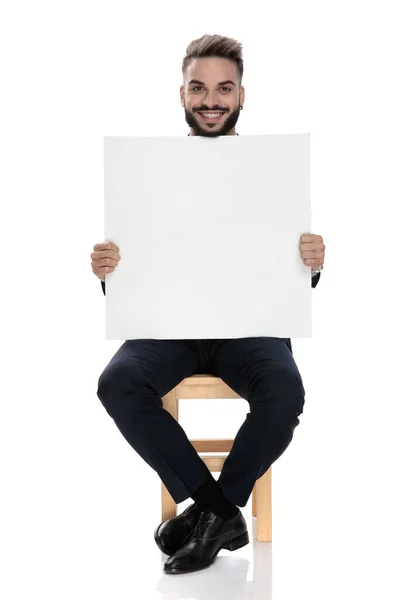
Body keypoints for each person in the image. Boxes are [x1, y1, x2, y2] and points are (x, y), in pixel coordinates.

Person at [92, 34, 325, 575]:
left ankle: (207, 514)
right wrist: (110, 272)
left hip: (252, 329)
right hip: (166, 328)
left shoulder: (273, 171)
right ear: (182, 95)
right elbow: (135, 272)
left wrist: (311, 263)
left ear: (243, 95)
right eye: (199, 88)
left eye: (224, 87)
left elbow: (290, 278)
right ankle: (218, 510)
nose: (211, 99)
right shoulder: (146, 173)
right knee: (116, 382)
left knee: (285, 392)